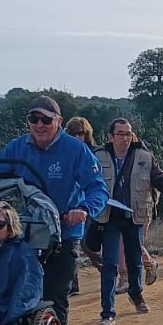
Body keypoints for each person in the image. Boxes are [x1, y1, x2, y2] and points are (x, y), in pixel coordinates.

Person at [0, 95, 109, 325]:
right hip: (24, 232)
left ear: (59, 121)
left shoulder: (76, 150)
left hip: (63, 233)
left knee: (55, 296)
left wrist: (84, 209)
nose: (39, 125)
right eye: (33, 119)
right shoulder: (16, 148)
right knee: (14, 292)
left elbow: (97, 188)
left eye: (45, 119)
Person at [93, 118, 163, 325]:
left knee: (135, 261)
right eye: (121, 133)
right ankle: (107, 313)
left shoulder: (144, 156)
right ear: (111, 137)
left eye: (128, 133)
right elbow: (86, 181)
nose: (125, 138)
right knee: (110, 265)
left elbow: (160, 178)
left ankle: (136, 294)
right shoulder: (98, 157)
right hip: (109, 217)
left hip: (135, 216)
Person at [64, 116, 97, 295]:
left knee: (87, 245)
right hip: (70, 206)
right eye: (73, 133)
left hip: (87, 205)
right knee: (72, 246)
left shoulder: (92, 153)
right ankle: (73, 284)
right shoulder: (64, 152)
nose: (78, 137)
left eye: (81, 133)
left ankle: (109, 269)